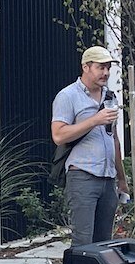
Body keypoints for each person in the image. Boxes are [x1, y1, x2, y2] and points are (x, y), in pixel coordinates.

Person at [51, 46, 127, 246]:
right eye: (101, 67)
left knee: (104, 244)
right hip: (83, 175)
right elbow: (58, 136)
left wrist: (121, 178)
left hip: (108, 177)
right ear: (86, 67)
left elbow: (114, 139)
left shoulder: (110, 96)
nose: (106, 73)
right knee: (83, 241)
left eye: (108, 67)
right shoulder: (68, 96)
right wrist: (94, 120)